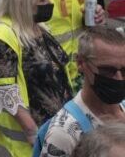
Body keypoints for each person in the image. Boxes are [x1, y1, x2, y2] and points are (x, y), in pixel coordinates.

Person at [0, 0, 74, 156]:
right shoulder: (2, 35)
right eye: (42, 0)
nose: (49, 3)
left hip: (57, 127)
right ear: (22, 2)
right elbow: (6, 91)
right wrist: (33, 133)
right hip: (35, 138)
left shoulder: (36, 26)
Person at [38, 26, 125, 157]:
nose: (118, 78)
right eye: (107, 70)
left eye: (124, 70)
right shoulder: (63, 133)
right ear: (80, 63)